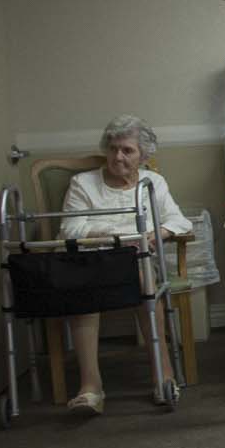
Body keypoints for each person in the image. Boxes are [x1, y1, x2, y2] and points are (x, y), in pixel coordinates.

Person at [56, 115, 192, 415]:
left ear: (143, 155)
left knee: (144, 283)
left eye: (127, 150)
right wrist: (114, 235)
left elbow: (178, 220)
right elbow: (70, 229)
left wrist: (159, 233)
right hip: (93, 259)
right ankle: (90, 387)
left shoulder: (153, 183)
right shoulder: (83, 183)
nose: (118, 156)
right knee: (82, 290)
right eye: (113, 149)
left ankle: (163, 377)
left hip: (137, 261)